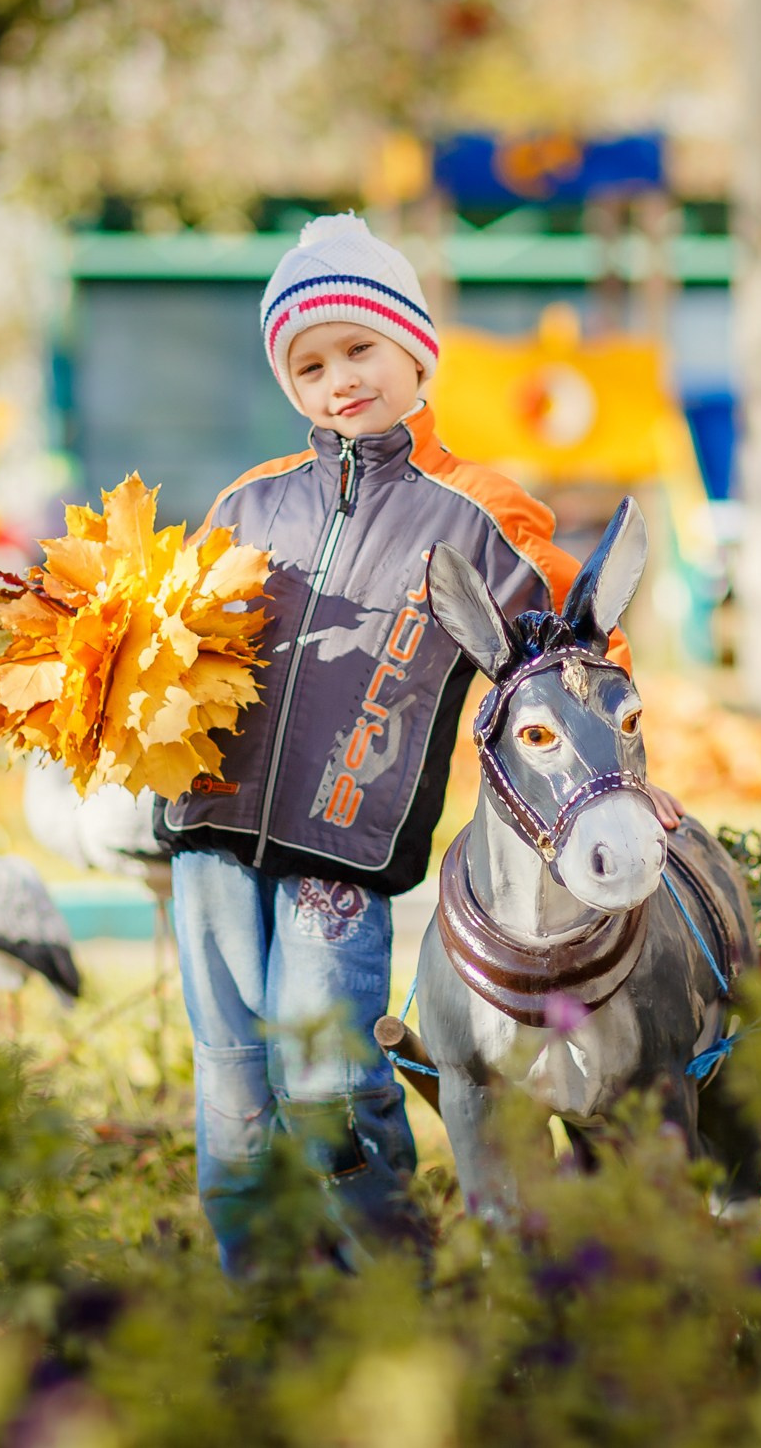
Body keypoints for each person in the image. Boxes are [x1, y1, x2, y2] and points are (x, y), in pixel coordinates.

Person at [154, 213, 681, 1273]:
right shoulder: (247, 503)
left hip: (341, 848)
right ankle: (264, 1304)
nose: (338, 379)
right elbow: (173, 642)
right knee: (230, 1078)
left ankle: (385, 1290)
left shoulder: (477, 514)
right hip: (207, 827)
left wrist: (610, 776)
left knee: (327, 1075)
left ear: (415, 351)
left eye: (359, 348)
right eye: (308, 364)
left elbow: (579, 647)